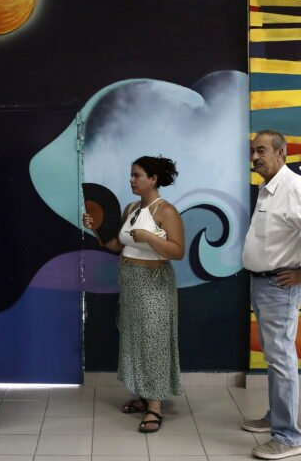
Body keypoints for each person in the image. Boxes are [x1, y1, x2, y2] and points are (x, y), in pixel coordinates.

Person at [241, 130, 301, 460]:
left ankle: (287, 437)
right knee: (275, 357)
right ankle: (276, 418)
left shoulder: (293, 187)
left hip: (279, 286)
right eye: (253, 151)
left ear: (281, 153)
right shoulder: (269, 188)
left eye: (262, 151)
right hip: (263, 284)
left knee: (281, 359)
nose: (255, 157)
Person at [82, 155, 185, 434]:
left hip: (155, 282)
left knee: (154, 341)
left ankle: (155, 406)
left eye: (137, 175)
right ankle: (143, 393)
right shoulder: (131, 208)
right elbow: (118, 245)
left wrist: (149, 237)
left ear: (153, 179)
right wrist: (95, 228)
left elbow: (178, 251)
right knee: (134, 338)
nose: (132, 180)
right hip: (130, 282)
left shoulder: (166, 211)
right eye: (131, 175)